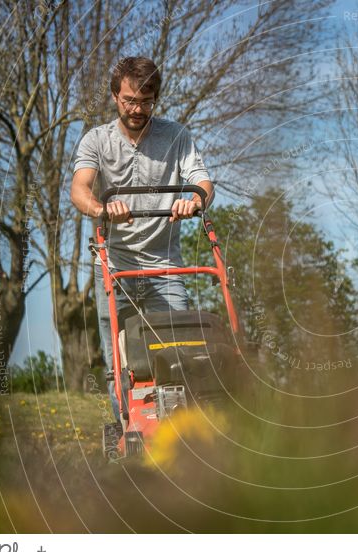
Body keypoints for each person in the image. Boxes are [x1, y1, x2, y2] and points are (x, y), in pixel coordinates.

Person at [70, 56, 213, 423]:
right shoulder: (96, 140)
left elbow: (203, 183)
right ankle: (126, 430)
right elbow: (80, 189)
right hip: (115, 266)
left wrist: (193, 201)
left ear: (156, 98)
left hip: (165, 266)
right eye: (129, 100)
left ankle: (181, 431)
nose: (137, 109)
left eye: (146, 102)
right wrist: (103, 210)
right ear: (115, 97)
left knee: (181, 349)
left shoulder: (177, 136)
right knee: (118, 358)